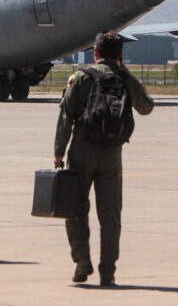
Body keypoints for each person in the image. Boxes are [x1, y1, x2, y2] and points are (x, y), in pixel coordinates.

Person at [54, 31, 154, 287]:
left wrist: (58, 151)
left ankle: (82, 260)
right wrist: (127, 74)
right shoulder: (124, 78)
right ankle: (108, 271)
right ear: (120, 55)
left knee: (75, 208)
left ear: (95, 52)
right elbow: (146, 107)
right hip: (112, 154)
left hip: (81, 151)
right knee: (110, 214)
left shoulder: (80, 77)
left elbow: (66, 116)